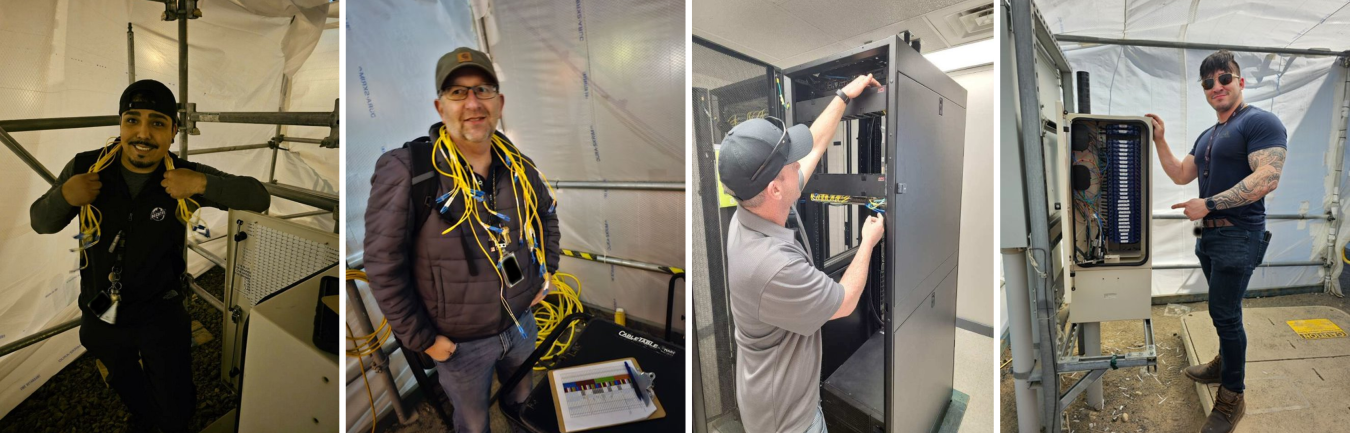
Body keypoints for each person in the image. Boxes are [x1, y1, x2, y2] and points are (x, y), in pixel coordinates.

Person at [29, 79, 271, 432]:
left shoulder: (182, 174)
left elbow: (258, 198)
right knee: (121, 372)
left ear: (173, 130)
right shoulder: (87, 168)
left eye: (157, 122)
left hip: (160, 307)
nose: (143, 133)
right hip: (100, 304)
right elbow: (41, 222)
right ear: (121, 123)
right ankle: (144, 417)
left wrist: (203, 185)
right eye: (132, 120)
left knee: (176, 403)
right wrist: (65, 195)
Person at [364, 47, 559, 433]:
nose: (472, 102)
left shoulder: (517, 164)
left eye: (483, 90)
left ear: (499, 102)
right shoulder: (408, 171)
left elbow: (547, 215)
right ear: (440, 106)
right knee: (473, 424)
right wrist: (424, 340)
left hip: (520, 325)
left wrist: (544, 274)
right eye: (457, 92)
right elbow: (384, 266)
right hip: (460, 346)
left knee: (524, 407)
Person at [717, 74, 885, 433]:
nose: (800, 163)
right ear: (776, 188)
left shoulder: (753, 208)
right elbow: (846, 299)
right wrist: (868, 241)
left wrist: (843, 95)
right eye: (790, 162)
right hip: (788, 421)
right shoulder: (772, 266)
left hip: (774, 396)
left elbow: (815, 148)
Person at [1147, 49, 1285, 433]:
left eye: (1224, 79)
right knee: (1225, 312)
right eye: (1208, 83)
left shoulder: (1260, 122)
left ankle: (1232, 397)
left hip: (1239, 235)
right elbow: (1179, 173)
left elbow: (1267, 178)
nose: (1216, 87)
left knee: (1224, 314)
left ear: (1240, 82)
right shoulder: (1209, 134)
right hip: (1211, 238)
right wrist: (1160, 140)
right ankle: (1224, 363)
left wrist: (1207, 203)